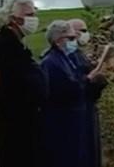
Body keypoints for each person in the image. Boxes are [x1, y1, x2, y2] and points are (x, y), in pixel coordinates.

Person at [0, 0, 47, 167]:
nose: (34, 19)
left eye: (34, 14)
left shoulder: (17, 42)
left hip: (24, 119)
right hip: (13, 123)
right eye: (29, 15)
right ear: (13, 18)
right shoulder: (5, 45)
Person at [41, 21, 88, 167]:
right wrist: (87, 81)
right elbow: (66, 88)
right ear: (59, 39)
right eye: (71, 38)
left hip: (72, 119)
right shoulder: (51, 62)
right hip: (61, 122)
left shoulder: (64, 58)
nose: (74, 42)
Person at [68, 18, 108, 167]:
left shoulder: (79, 53)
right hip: (80, 111)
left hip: (88, 108)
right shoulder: (68, 55)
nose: (85, 34)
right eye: (82, 31)